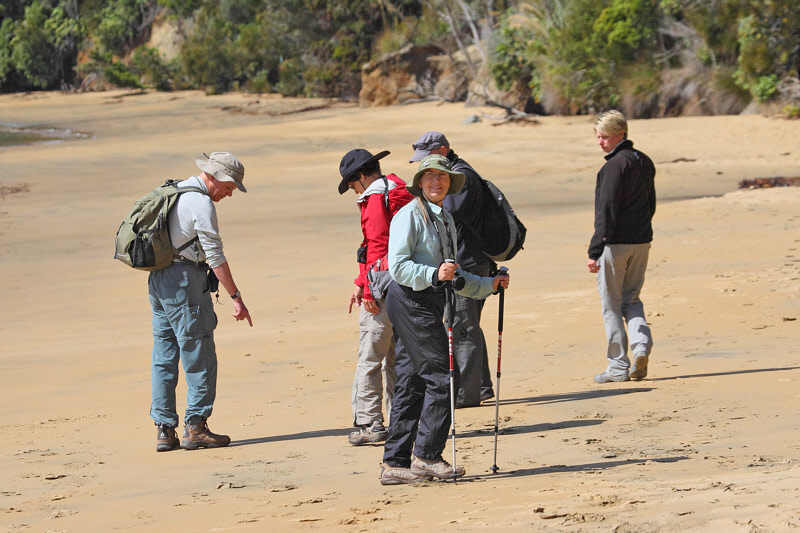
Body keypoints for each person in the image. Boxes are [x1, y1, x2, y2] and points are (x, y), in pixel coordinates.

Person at [380, 154, 510, 485]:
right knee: (443, 377)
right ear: (420, 183)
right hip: (409, 300)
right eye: (430, 177)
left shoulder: (446, 219)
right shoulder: (408, 215)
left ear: (449, 183)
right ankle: (425, 457)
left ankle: (395, 463)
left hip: (428, 300)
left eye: (443, 177)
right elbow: (398, 267)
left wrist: (489, 286)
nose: (437, 182)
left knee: (411, 381)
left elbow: (455, 275)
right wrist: (434, 273)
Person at [150, 152, 253, 452]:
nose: (229, 193)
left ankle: (164, 430)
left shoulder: (174, 191)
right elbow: (216, 256)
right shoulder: (201, 202)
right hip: (185, 282)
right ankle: (195, 426)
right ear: (216, 177)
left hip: (158, 281)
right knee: (199, 352)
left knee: (164, 355)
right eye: (230, 187)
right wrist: (236, 297)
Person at [409, 131, 495, 408]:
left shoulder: (461, 177)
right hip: (463, 263)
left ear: (444, 150)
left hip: (467, 263)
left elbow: (448, 216)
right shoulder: (457, 172)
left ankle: (466, 396)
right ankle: (480, 387)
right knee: (465, 326)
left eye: (432, 160)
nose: (434, 177)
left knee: (462, 327)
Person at [337, 148, 414, 446]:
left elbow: (377, 245)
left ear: (360, 176)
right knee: (396, 357)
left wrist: (368, 289)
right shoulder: (399, 189)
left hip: (382, 289)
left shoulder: (374, 198)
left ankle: (370, 422)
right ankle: (400, 419)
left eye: (352, 184)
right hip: (407, 287)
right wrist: (360, 281)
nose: (353, 190)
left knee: (370, 356)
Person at [587, 111, 656, 383]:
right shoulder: (644, 161)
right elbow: (651, 204)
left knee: (611, 305)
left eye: (604, 137)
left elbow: (607, 211)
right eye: (598, 137)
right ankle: (641, 347)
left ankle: (617, 366)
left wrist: (594, 251)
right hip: (641, 242)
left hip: (615, 245)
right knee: (632, 299)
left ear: (620, 134)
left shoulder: (614, 166)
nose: (600, 142)